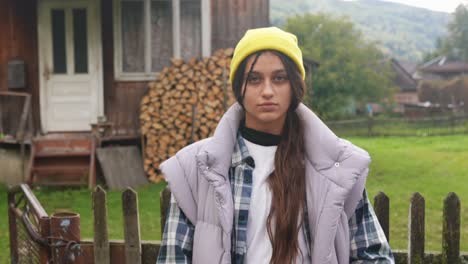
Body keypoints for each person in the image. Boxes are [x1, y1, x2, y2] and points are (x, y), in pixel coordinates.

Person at [156, 27, 394, 264]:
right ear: (239, 87)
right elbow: (172, 258)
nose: (267, 91)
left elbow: (374, 256)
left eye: (279, 78)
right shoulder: (197, 167)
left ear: (295, 86)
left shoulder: (338, 166)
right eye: (254, 79)